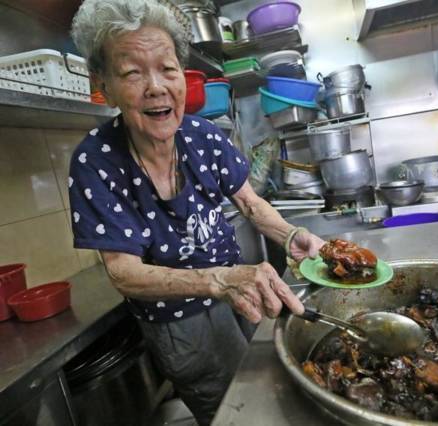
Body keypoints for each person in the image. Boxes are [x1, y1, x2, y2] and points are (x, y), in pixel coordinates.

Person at [68, 1, 325, 424]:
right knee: (233, 413)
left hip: (239, 291)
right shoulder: (95, 161)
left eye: (167, 69)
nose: (156, 87)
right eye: (132, 73)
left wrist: (291, 235)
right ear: (104, 86)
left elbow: (250, 203)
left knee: (271, 392)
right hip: (178, 320)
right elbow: (123, 273)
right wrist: (218, 280)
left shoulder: (203, 135)